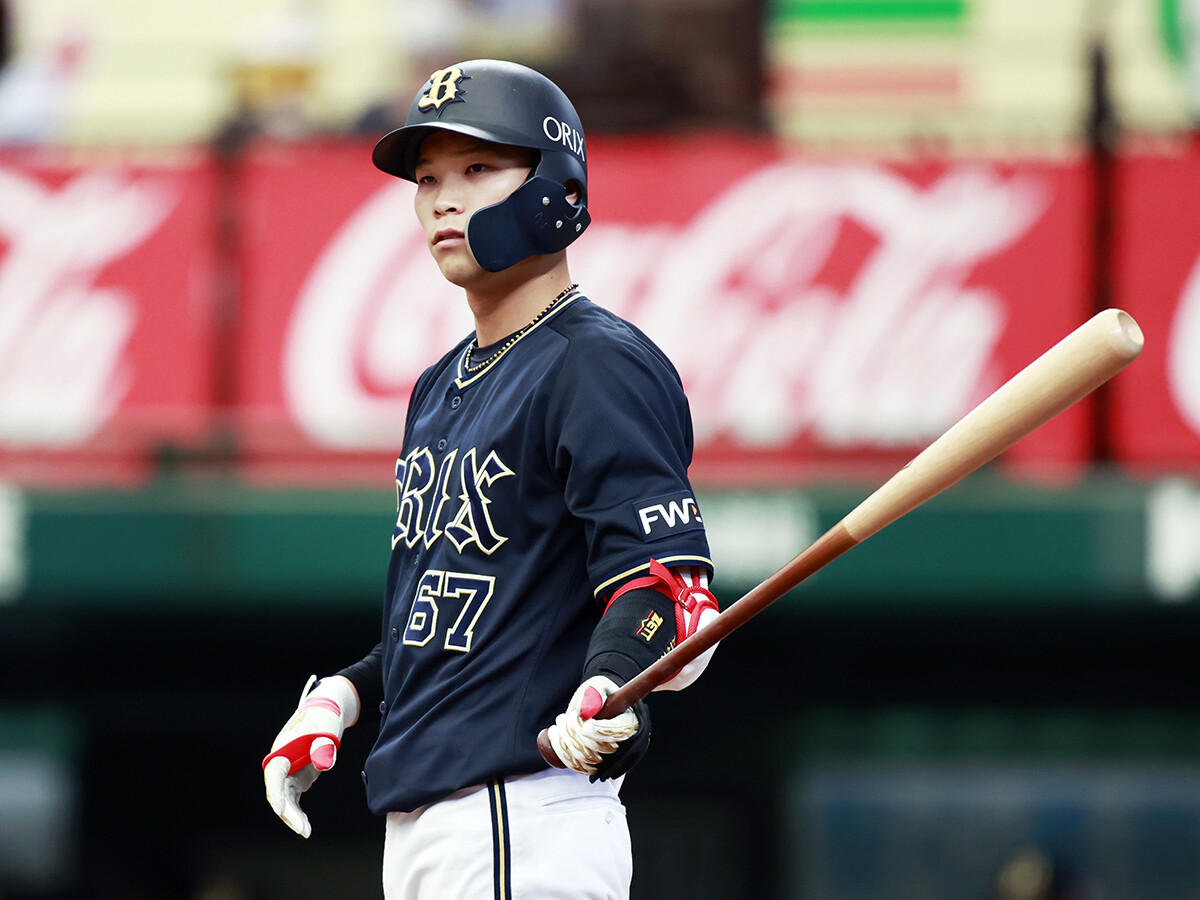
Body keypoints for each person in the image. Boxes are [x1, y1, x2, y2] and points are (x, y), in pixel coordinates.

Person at [262, 58, 719, 899]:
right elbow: (461, 614)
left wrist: (610, 680)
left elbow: (668, 589)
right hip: (432, 824)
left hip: (520, 815)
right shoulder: (439, 384)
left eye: (477, 169)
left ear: (554, 185)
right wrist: (343, 697)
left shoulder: (595, 362)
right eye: (428, 177)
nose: (443, 197)